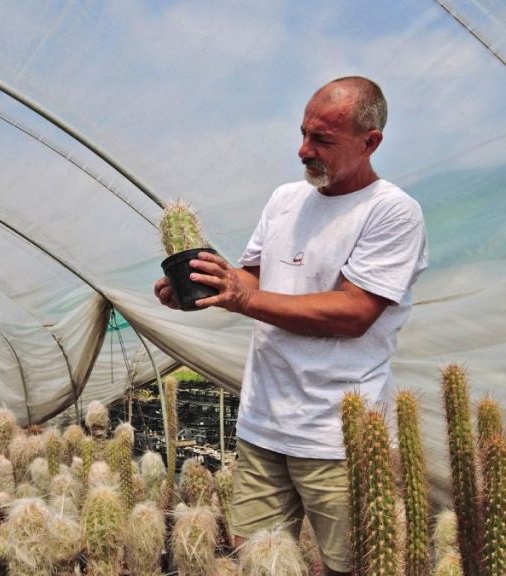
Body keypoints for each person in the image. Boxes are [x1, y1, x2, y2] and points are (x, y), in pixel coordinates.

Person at [153, 76, 428, 575]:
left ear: (371, 142)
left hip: (337, 436)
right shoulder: (285, 199)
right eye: (303, 133)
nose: (304, 150)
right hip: (264, 420)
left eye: (322, 140)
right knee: (255, 556)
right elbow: (253, 275)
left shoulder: (391, 212)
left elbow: (353, 313)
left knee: (352, 564)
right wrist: (201, 283)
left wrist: (243, 298)